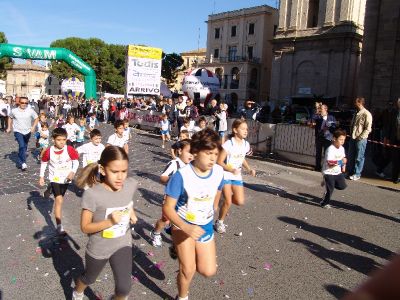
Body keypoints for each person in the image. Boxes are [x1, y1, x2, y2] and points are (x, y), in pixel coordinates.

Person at [163, 129, 224, 300]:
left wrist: (213, 206)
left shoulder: (218, 171)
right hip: (182, 224)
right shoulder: (181, 176)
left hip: (204, 225)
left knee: (208, 270)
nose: (213, 158)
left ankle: (182, 253)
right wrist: (185, 226)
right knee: (188, 269)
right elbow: (168, 208)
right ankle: (182, 296)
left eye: (216, 153)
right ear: (195, 152)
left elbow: (218, 189)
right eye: (208, 153)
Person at [72, 146, 138, 300]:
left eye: (124, 171)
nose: (120, 177)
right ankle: (78, 292)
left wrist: (131, 212)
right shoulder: (93, 194)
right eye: (115, 172)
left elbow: (127, 200)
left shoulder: (130, 184)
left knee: (124, 289)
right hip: (99, 247)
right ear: (102, 169)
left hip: (123, 243)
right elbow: (85, 227)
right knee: (89, 278)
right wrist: (110, 221)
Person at [215, 119, 256, 234]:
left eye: (246, 129)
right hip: (226, 174)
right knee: (228, 200)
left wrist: (249, 169)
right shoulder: (229, 143)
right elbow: (219, 161)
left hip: (236, 176)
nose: (245, 131)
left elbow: (242, 157)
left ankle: (223, 203)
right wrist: (231, 169)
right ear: (235, 130)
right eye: (243, 128)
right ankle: (220, 222)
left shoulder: (246, 144)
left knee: (239, 201)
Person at [151, 139, 193, 247]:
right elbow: (162, 177)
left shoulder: (192, 166)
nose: (191, 155)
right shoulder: (174, 164)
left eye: (193, 152)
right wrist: (174, 180)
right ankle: (156, 233)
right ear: (179, 151)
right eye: (189, 151)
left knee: (185, 219)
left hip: (184, 200)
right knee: (165, 219)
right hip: (171, 198)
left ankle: (179, 237)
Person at [39, 128, 79, 233]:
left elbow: (76, 162)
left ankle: (49, 189)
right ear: (53, 139)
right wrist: (41, 176)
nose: (62, 142)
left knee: (59, 196)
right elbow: (43, 163)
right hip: (54, 177)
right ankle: (59, 226)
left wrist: (72, 172)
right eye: (59, 140)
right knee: (59, 200)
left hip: (66, 178)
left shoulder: (69, 149)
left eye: (64, 140)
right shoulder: (48, 151)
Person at [6, 96, 39, 170]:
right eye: (22, 102)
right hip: (18, 131)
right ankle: (23, 162)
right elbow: (10, 117)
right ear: (19, 103)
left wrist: (33, 127)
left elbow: (36, 118)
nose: (24, 104)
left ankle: (21, 157)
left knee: (25, 146)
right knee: (21, 145)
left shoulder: (30, 110)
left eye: (26, 103)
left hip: (27, 131)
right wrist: (9, 127)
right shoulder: (14, 111)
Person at [320, 129, 348, 208]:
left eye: (344, 140)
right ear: (334, 139)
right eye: (340, 139)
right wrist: (341, 162)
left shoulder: (342, 148)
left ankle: (327, 183)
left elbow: (343, 159)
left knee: (342, 186)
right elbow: (330, 163)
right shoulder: (330, 149)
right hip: (328, 171)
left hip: (337, 172)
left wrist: (343, 167)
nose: (342, 141)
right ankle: (324, 203)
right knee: (330, 190)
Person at [347, 97, 373, 181]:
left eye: (356, 102)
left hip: (360, 139)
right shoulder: (356, 113)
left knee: (359, 157)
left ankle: (357, 173)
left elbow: (368, 128)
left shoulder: (366, 113)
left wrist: (361, 137)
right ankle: (350, 172)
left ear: (360, 103)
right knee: (351, 156)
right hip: (353, 137)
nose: (354, 104)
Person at [311, 104, 337, 171]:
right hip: (319, 137)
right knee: (318, 153)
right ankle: (317, 167)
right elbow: (312, 118)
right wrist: (317, 111)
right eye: (319, 109)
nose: (320, 110)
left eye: (321, 109)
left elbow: (334, 128)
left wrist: (328, 128)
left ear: (326, 109)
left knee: (326, 153)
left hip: (328, 138)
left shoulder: (331, 117)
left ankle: (325, 167)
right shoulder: (318, 117)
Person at [384, 98, 400, 184]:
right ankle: (394, 178)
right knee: (395, 159)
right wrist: (386, 138)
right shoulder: (394, 113)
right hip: (395, 140)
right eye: (398, 103)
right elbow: (389, 126)